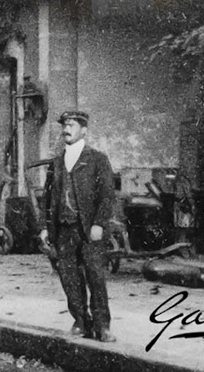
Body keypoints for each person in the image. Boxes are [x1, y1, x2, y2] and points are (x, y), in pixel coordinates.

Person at [38, 109, 118, 343]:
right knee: (69, 277)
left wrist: (99, 224)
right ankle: (81, 321)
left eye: (72, 125)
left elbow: (106, 196)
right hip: (63, 229)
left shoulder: (97, 159)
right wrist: (45, 226)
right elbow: (48, 197)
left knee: (95, 276)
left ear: (84, 130)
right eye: (65, 125)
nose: (66, 129)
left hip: (89, 229)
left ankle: (103, 325)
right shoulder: (57, 161)